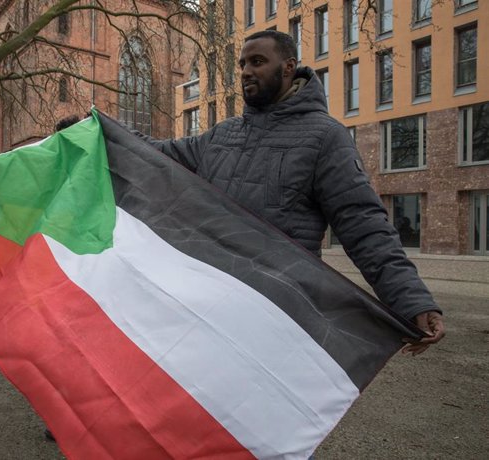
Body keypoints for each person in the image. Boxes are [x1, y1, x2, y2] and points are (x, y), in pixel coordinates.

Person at [139, 30, 444, 355]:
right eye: (242, 63)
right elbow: (151, 155)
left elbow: (365, 227)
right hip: (208, 311)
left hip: (277, 318)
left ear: (288, 67)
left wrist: (411, 299)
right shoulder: (222, 135)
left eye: (257, 62)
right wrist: (92, 129)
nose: (245, 71)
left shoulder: (325, 137)